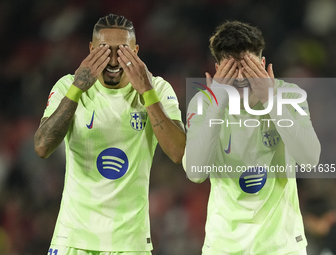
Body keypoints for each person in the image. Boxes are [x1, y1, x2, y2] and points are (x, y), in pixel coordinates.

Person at [34, 14, 185, 255]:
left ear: (136, 51)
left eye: (123, 51)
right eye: (104, 50)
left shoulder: (157, 89)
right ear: (91, 49)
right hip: (72, 237)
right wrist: (77, 90)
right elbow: (42, 147)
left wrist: (146, 91)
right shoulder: (67, 86)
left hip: (130, 243)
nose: (114, 60)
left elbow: (178, 152)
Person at [183, 21, 321, 254]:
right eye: (231, 70)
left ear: (263, 65)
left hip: (282, 246)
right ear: (218, 71)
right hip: (223, 246)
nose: (240, 78)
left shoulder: (289, 96)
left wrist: (271, 100)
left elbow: (310, 160)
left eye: (248, 68)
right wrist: (218, 104)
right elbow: (195, 173)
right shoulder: (204, 103)